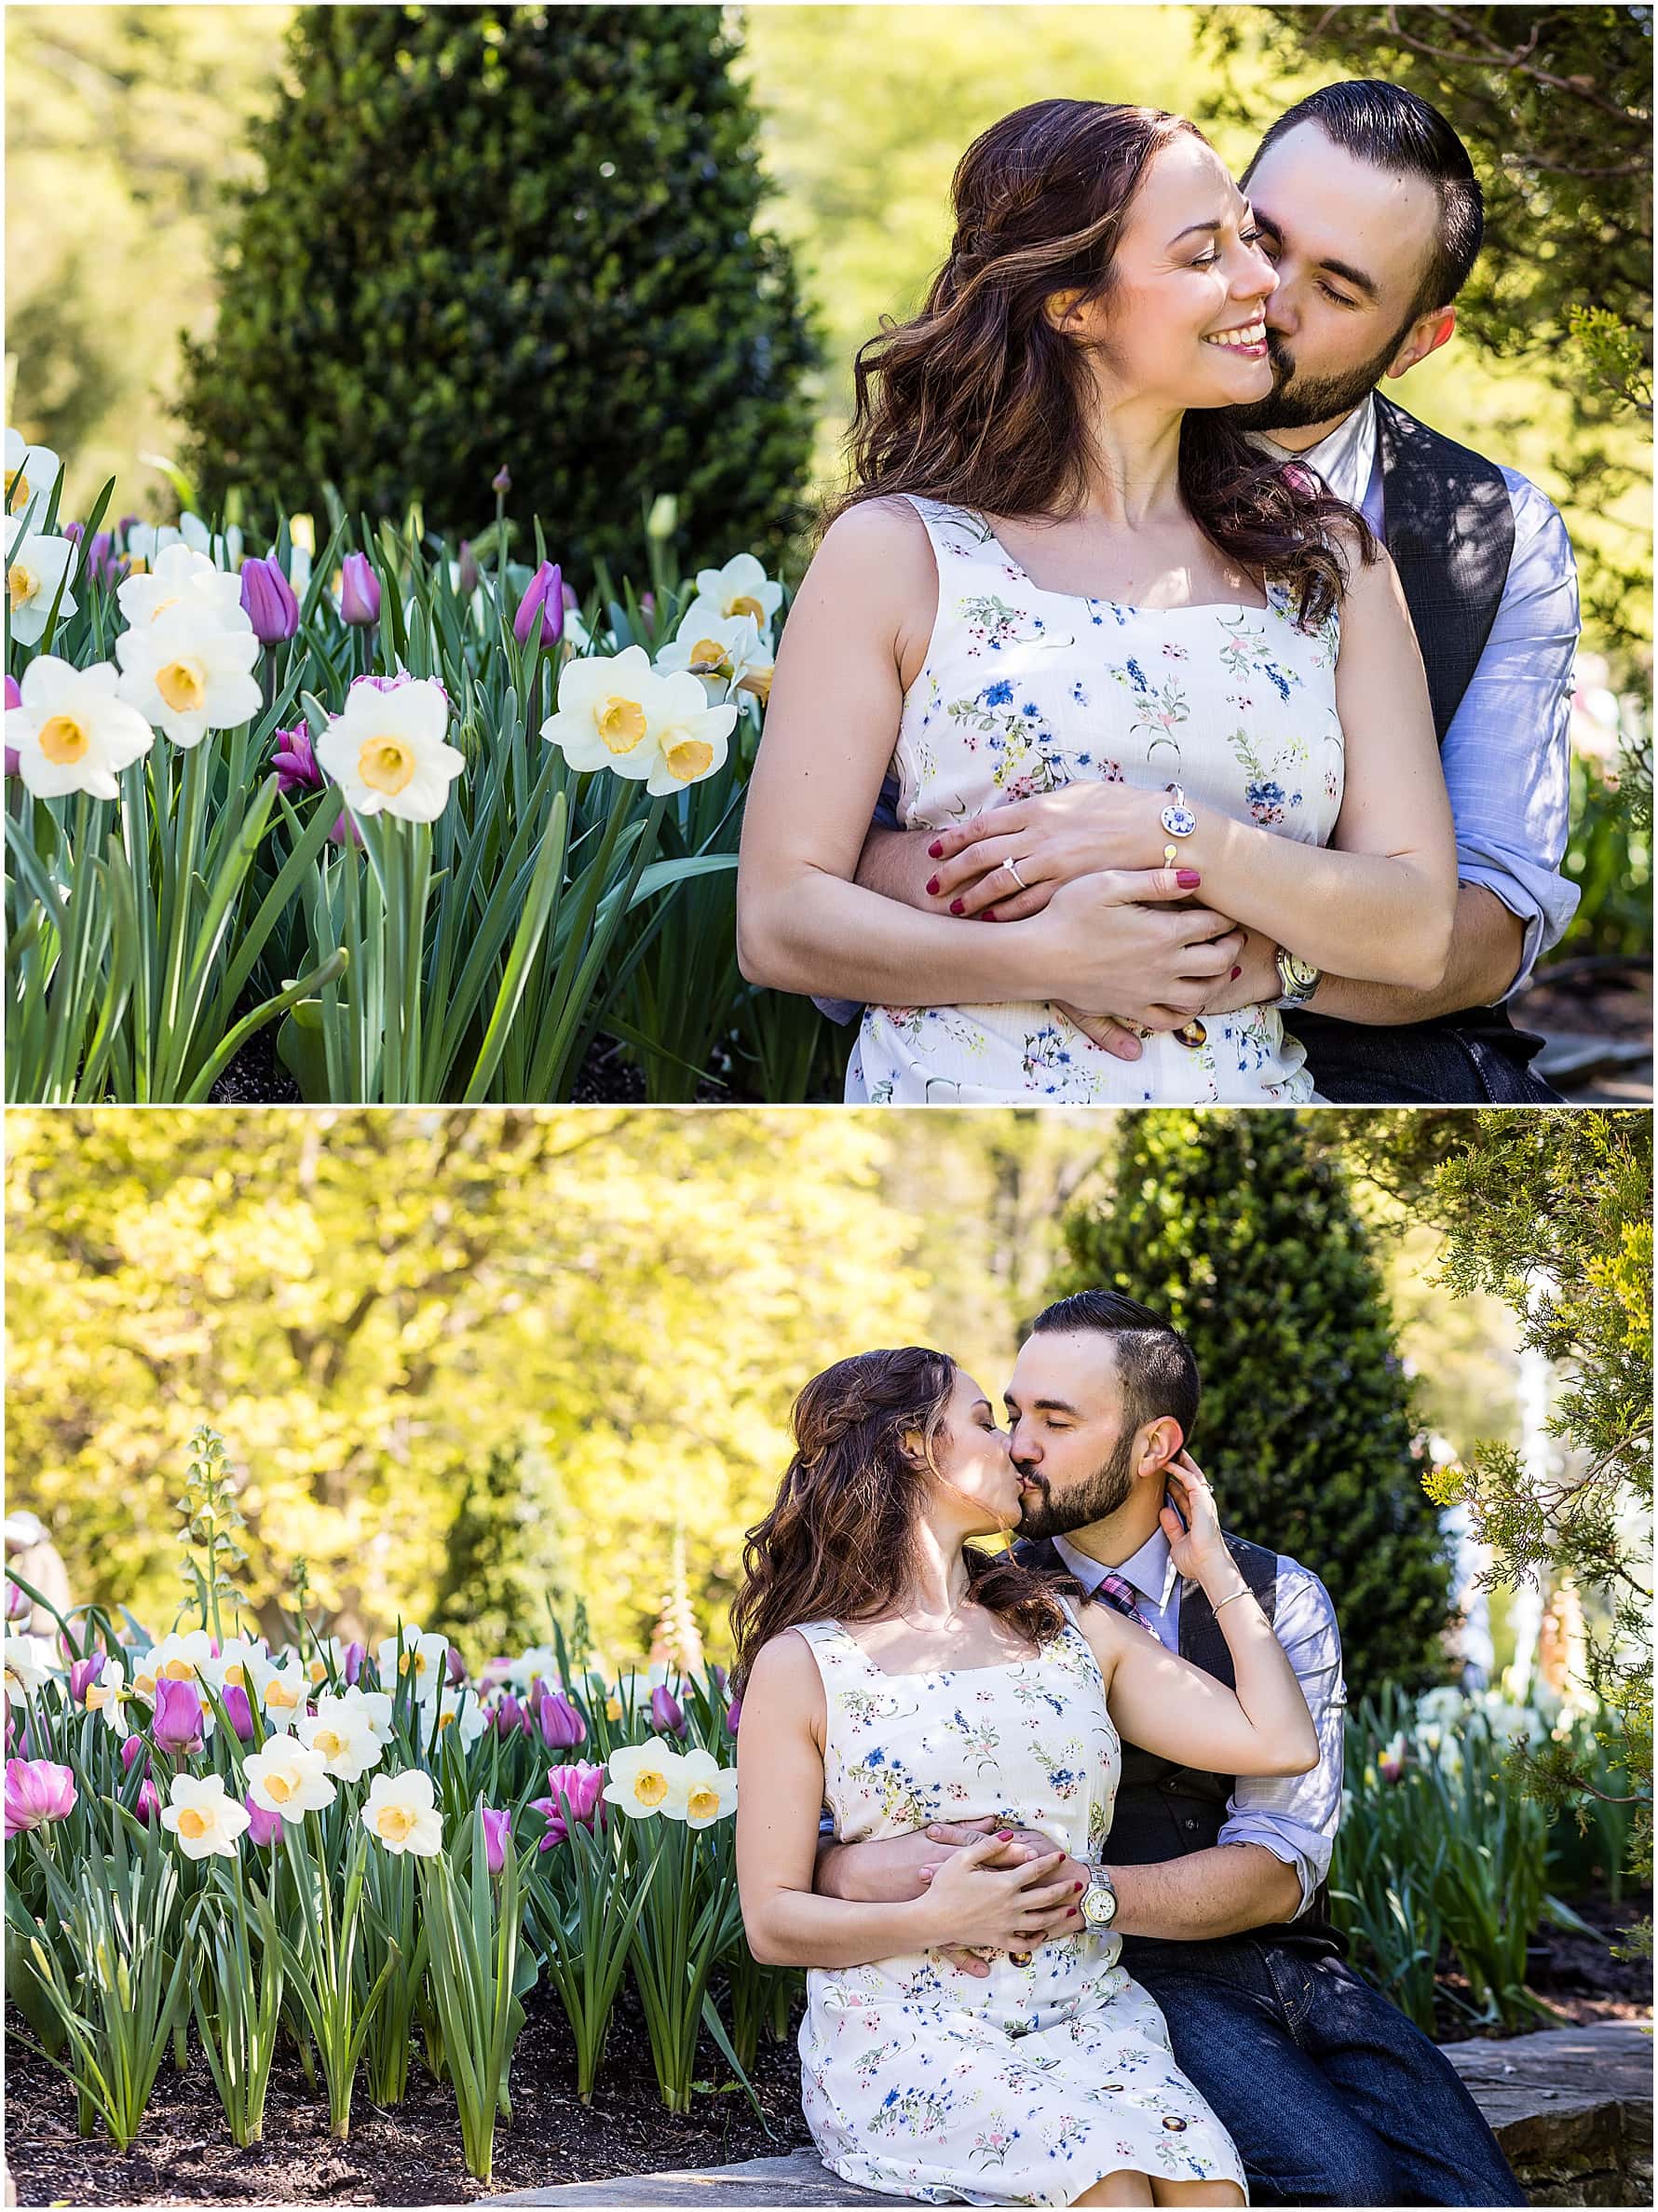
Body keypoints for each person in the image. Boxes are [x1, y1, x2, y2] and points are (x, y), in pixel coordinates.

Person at [851, 83, 1578, 1106]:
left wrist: (1245, 957)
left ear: (1419, 341)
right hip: (987, 1021)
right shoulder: (963, 505)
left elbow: (1489, 918)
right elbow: (833, 849)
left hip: (1364, 1046)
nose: (1265, 294)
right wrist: (1047, 929)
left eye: (1337, 290)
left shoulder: (1490, 535)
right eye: (1257, 238)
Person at [817, 1295, 1525, 2207]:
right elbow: (838, 1823)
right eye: (1012, 1413)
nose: (1020, 1444)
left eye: (1055, 1420)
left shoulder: (1279, 1596)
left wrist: (1216, 1573)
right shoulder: (983, 1600)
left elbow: (1283, 1860)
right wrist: (886, 1870)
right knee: (1344, 2181)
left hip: (1297, 1963)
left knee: (1480, 2194)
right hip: (1125, 1973)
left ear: (1155, 1445)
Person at [733, 1342, 1320, 2206]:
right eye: (985, 1421)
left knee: (1208, 2191)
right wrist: (932, 1916)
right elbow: (773, 1920)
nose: (1015, 1445)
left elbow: (1280, 1742)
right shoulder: (807, 1662)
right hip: (910, 2030)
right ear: (912, 1445)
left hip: (1089, 2014)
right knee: (1108, 2188)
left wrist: (1216, 1570)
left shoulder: (1066, 1626)